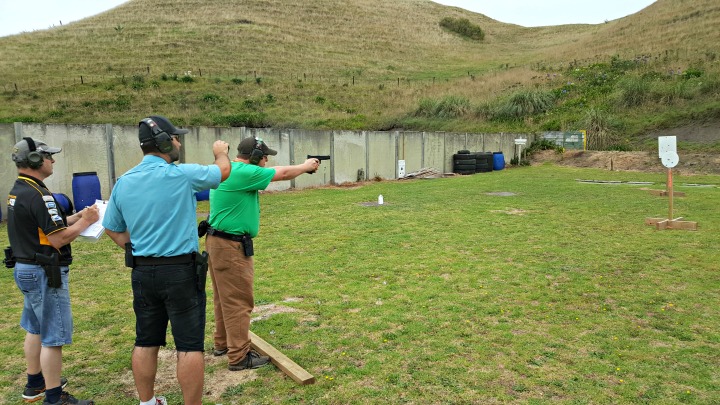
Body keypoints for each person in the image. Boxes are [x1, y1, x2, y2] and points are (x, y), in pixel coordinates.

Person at [102, 116, 231, 405]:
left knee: (146, 341)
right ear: (163, 142)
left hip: (143, 273)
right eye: (175, 138)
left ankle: (147, 402)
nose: (179, 143)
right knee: (189, 346)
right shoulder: (181, 174)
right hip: (181, 272)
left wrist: (134, 249)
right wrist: (221, 151)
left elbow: (111, 226)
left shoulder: (123, 182)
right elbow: (223, 171)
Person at [205, 136, 319, 370]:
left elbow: (277, 170)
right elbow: (283, 174)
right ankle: (238, 357)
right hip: (230, 246)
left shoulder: (231, 170)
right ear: (256, 157)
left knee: (224, 297)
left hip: (219, 243)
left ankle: (223, 343)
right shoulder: (242, 172)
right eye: (265, 156)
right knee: (238, 301)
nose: (267, 160)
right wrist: (305, 167)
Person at [6, 137, 100, 405]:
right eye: (48, 156)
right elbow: (58, 239)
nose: (53, 160)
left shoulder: (21, 189)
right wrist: (87, 223)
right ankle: (54, 397)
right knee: (53, 337)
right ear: (36, 160)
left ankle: (35, 383)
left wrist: (79, 216)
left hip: (27, 268)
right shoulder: (39, 194)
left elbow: (48, 226)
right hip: (43, 271)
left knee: (35, 328)